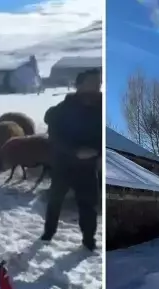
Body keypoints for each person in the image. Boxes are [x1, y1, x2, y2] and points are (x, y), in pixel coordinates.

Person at [40, 68, 102, 251]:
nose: (97, 87)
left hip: (88, 166)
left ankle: (89, 240)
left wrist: (96, 151)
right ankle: (48, 232)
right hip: (64, 164)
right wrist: (74, 151)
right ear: (80, 85)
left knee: (89, 204)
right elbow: (54, 136)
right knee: (55, 199)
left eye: (99, 83)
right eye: (92, 83)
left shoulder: (102, 108)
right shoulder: (64, 108)